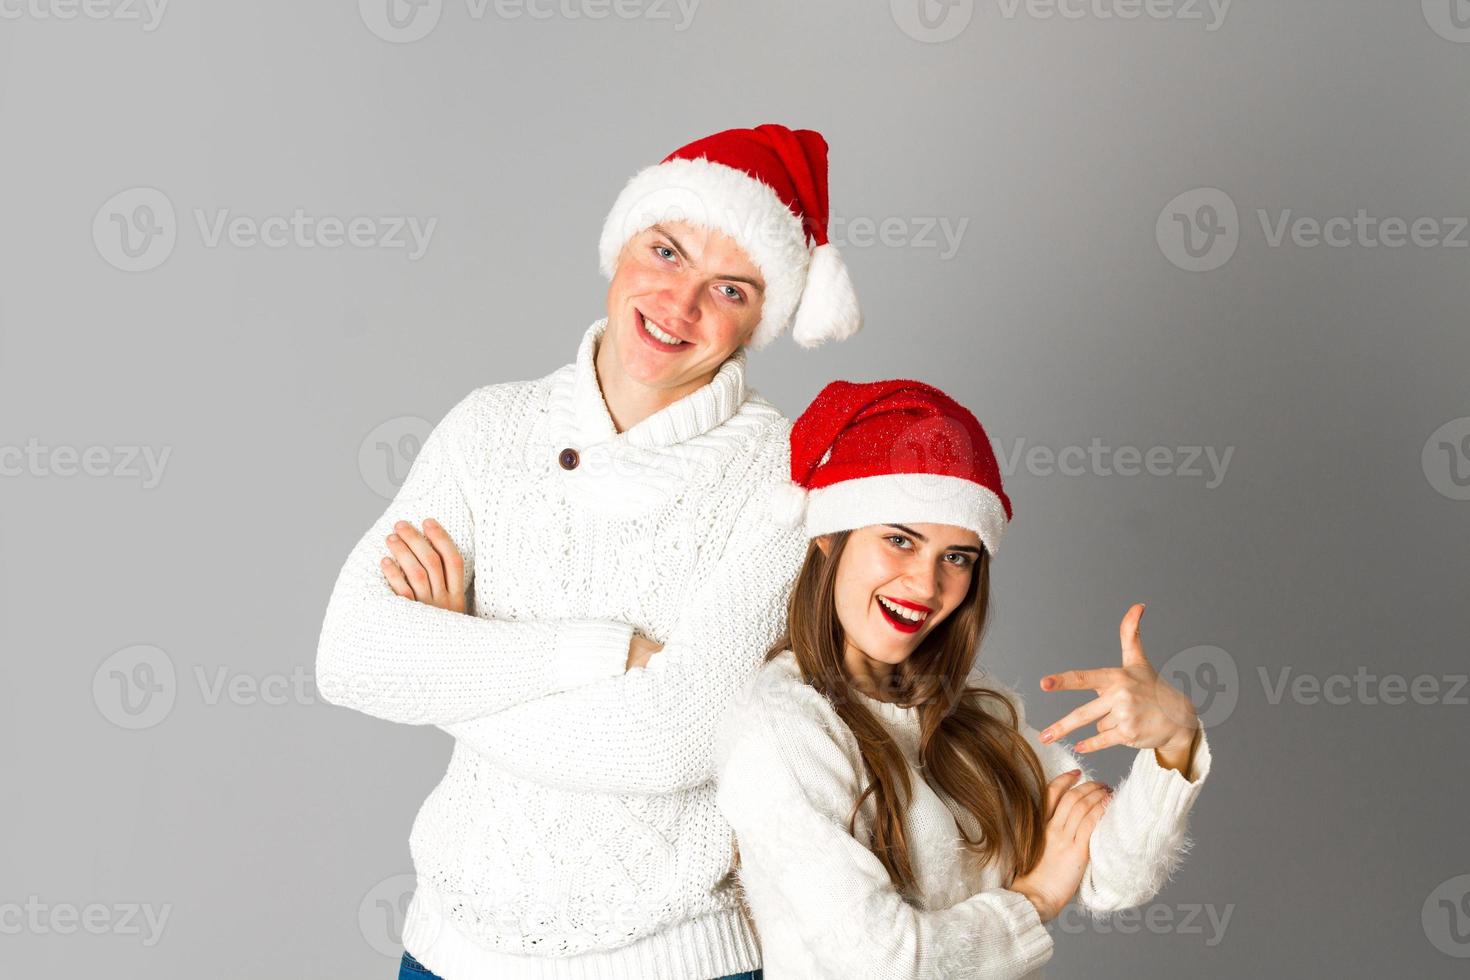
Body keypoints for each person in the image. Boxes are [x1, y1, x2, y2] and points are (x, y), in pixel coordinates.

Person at [314, 124, 863, 979]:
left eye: (731, 288)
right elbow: (351, 657)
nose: (680, 303)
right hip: (448, 950)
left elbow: (675, 741)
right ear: (620, 249)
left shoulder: (788, 484)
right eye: (666, 251)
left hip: (673, 960)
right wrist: (596, 652)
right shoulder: (488, 428)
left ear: (768, 317)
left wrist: (454, 658)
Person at [713, 379, 1212, 979]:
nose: (926, 586)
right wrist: (1035, 900)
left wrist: (1174, 745)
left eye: (956, 557)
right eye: (899, 540)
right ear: (829, 536)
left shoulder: (979, 709)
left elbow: (1112, 876)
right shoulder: (779, 729)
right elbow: (885, 964)